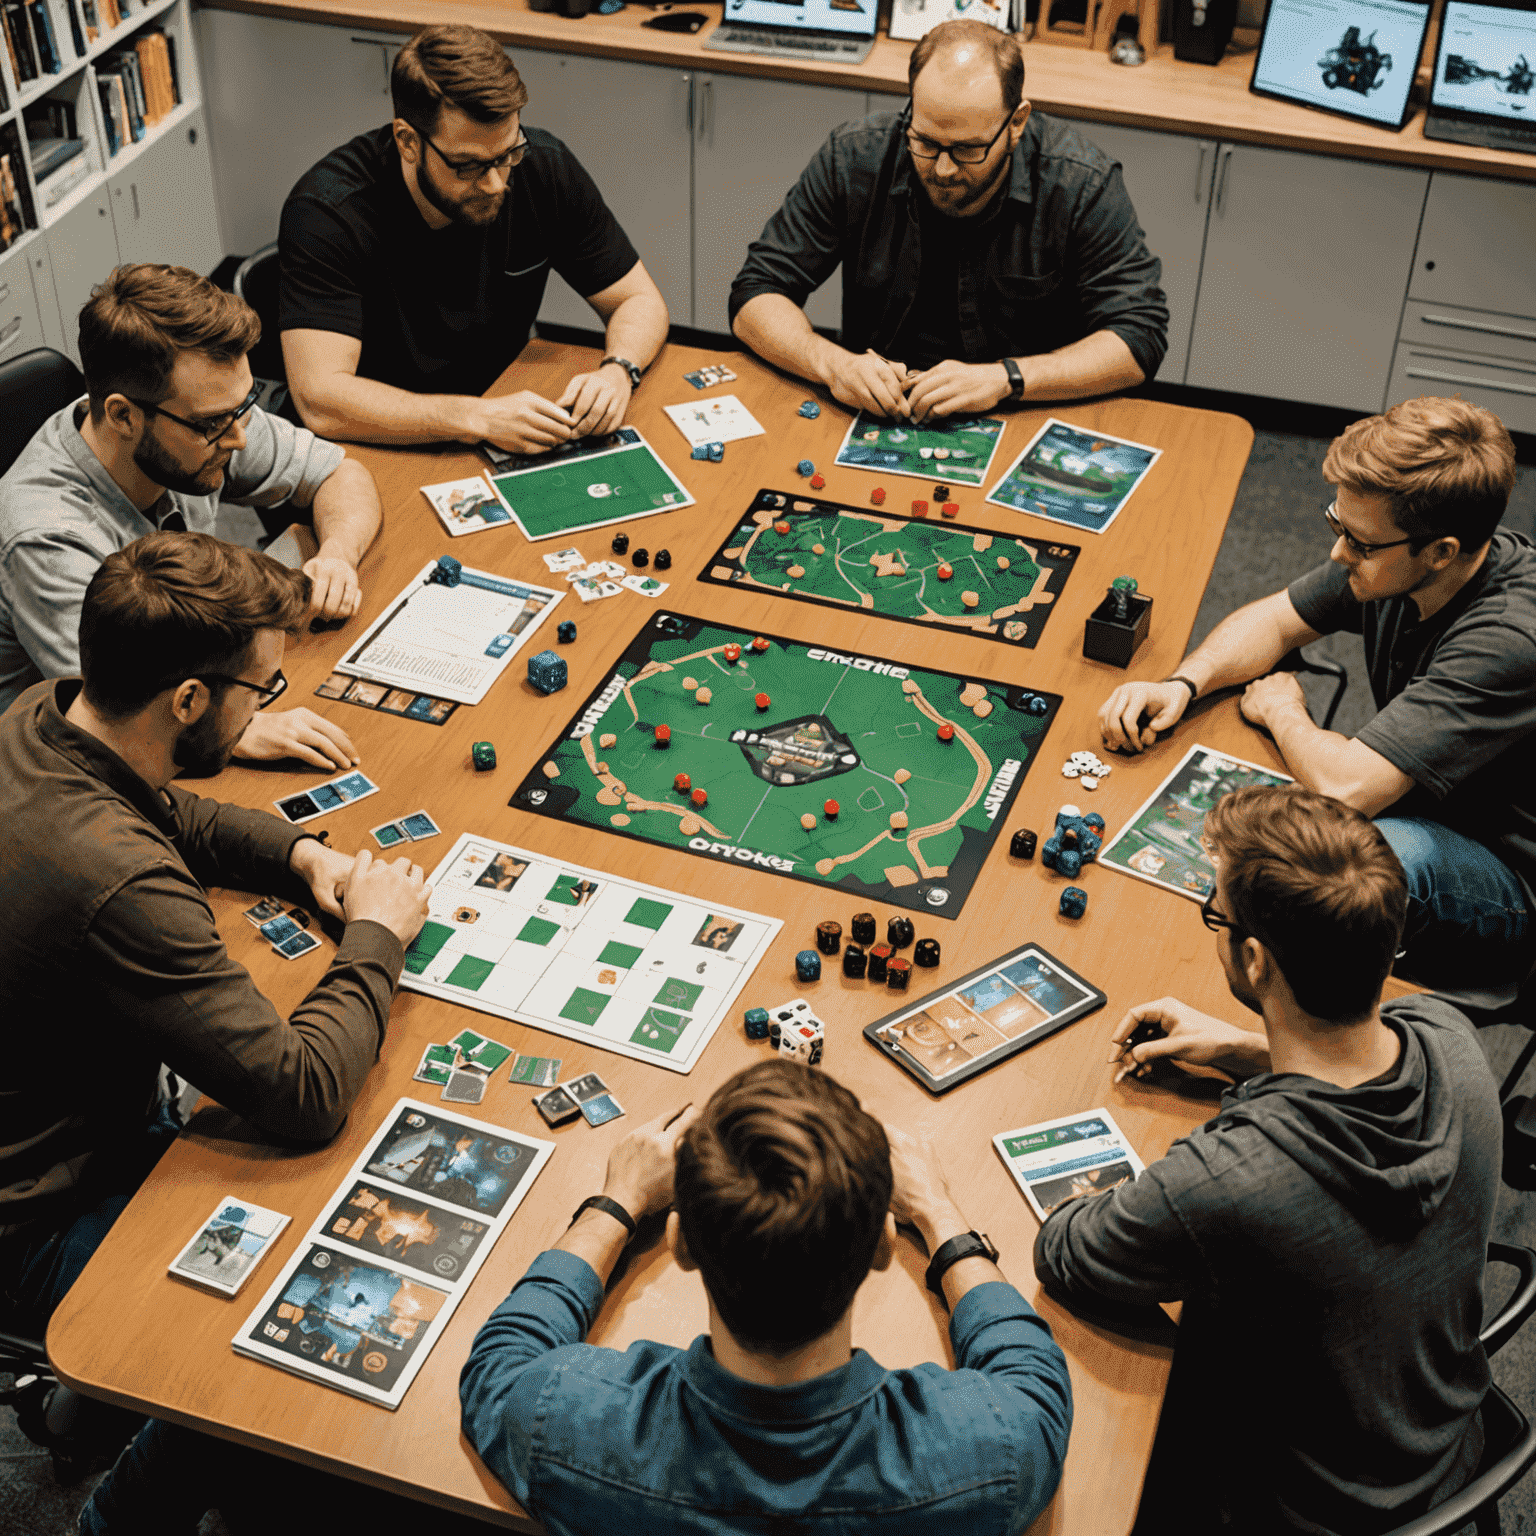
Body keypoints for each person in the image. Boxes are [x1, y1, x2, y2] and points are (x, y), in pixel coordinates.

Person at [0, 530, 430, 1345]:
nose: (265, 704)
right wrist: (377, 933)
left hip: (63, 1123)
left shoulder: (45, 712)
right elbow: (303, 1094)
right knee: (346, 1298)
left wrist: (300, 853)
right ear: (190, 701)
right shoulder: (120, 881)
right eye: (260, 689)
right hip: (41, 1220)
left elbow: (167, 809)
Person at [1034, 785, 1500, 1536]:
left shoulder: (1227, 1182)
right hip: (1444, 1447)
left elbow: (1067, 1252)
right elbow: (1352, 1068)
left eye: (1216, 915)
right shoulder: (1452, 1037)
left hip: (1297, 1508)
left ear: (1254, 960)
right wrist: (1244, 1049)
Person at [459, 1060, 1073, 1533]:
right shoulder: (994, 1452)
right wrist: (939, 1214)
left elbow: (500, 1362)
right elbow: (1032, 1376)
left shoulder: (560, 1420)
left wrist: (616, 1204)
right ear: (884, 1246)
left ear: (680, 1245)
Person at [1097, 395, 1533, 994]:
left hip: (1509, 878)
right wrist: (1182, 682)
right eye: (1338, 525)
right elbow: (1274, 622)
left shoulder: (1509, 638)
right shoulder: (1399, 554)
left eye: (1360, 543)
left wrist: (1285, 712)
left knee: (1342, 869)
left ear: (1441, 553)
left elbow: (1345, 788)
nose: (1338, 552)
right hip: (1424, 797)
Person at [0, 263, 380, 772]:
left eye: (242, 406)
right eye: (214, 422)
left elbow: (343, 475)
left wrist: (337, 555)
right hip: (64, 776)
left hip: (198, 680)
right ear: (122, 417)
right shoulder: (46, 536)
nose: (239, 437)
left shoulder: (200, 416)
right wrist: (244, 725)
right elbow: (123, 715)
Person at [729, 20, 1167, 423]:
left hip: (1021, 414)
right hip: (880, 414)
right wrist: (832, 363)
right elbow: (757, 292)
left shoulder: (1080, 183)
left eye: (967, 149)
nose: (942, 169)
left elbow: (1138, 338)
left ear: (1016, 124)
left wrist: (1005, 379)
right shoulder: (856, 157)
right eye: (925, 141)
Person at [279, 23, 669, 455]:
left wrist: (618, 369)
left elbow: (638, 300)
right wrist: (474, 417)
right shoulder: (328, 213)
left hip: (500, 413)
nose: (495, 184)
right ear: (408, 141)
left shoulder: (543, 168)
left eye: (508, 155)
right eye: (468, 165)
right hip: (381, 439)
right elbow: (322, 401)